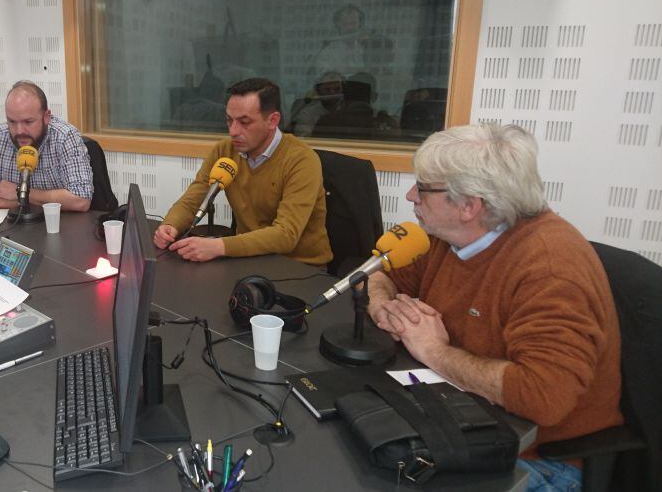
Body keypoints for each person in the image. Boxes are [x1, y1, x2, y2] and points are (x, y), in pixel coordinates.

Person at [366, 124, 622, 491]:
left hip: (537, 456)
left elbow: (543, 397)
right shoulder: (445, 238)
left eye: (422, 188)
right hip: (461, 416)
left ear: (469, 206)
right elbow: (378, 272)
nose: (410, 196)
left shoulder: (551, 269)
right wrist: (382, 306)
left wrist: (434, 351)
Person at [155, 78, 332, 265]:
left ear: (272, 120)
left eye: (244, 122)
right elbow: (194, 200)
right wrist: (171, 225)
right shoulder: (224, 151)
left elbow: (286, 234)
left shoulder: (301, 160)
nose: (233, 131)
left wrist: (219, 247)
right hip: (248, 259)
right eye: (229, 120)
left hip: (300, 267)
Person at [0, 80, 93, 212]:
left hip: (59, 223)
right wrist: (21, 201)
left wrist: (19, 192)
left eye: (28, 122)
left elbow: (81, 199)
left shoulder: (65, 137)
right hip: (14, 224)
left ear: (46, 117)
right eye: (12, 122)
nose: (19, 131)